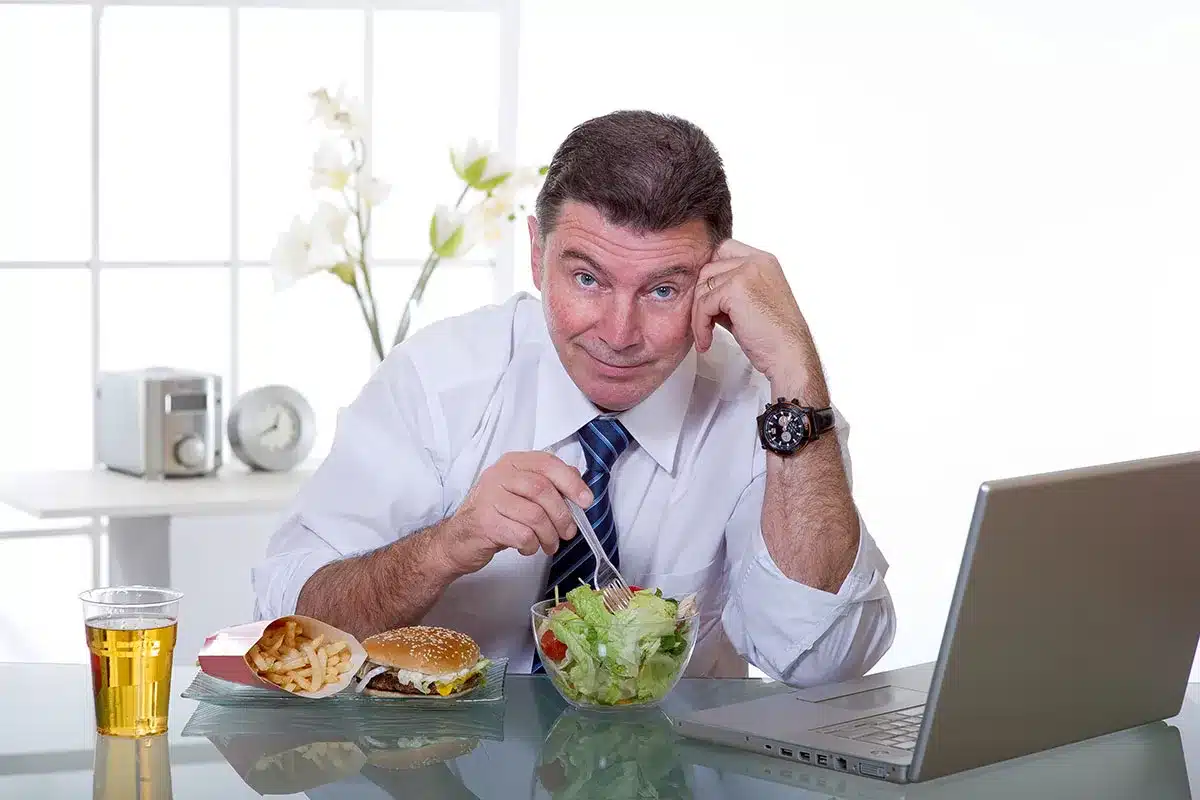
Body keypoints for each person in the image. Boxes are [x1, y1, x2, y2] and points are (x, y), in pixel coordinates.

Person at [253, 110, 896, 686]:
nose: (618, 333)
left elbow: (823, 659)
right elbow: (290, 621)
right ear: (537, 256)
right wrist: (445, 547)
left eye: (663, 290)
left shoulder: (774, 411)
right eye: (587, 278)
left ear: (717, 281)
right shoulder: (438, 381)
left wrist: (796, 368)